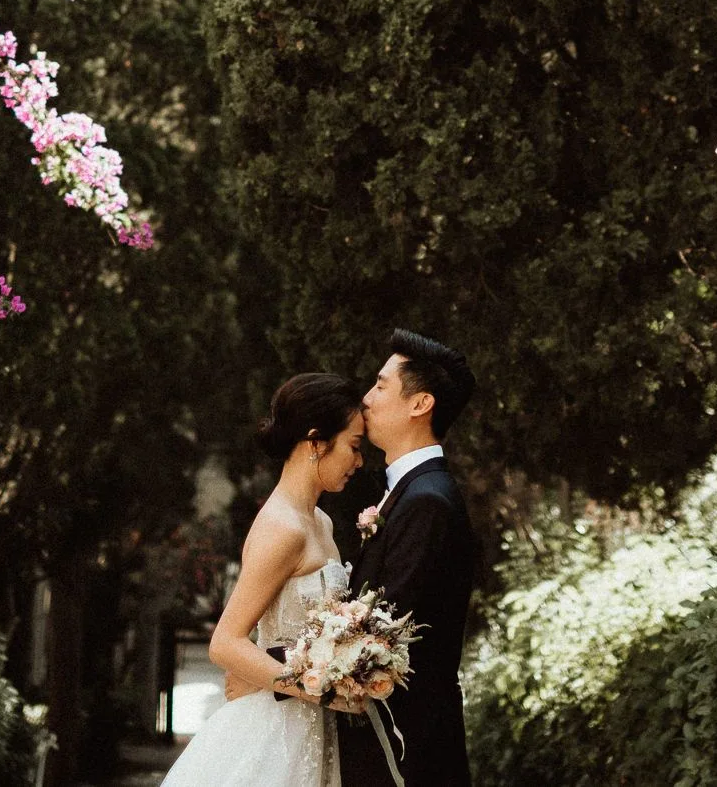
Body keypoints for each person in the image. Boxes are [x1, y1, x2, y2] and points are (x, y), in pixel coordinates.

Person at [159, 373, 368, 787]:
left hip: (315, 729)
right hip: (277, 729)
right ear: (315, 442)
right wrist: (322, 691)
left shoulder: (320, 523)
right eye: (354, 447)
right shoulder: (282, 528)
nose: (359, 462)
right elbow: (226, 642)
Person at [339, 329, 478, 787]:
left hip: (410, 749)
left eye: (380, 386)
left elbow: (383, 635)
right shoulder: (408, 493)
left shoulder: (428, 501)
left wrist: (274, 666)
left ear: (421, 404)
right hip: (394, 742)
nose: (366, 399)